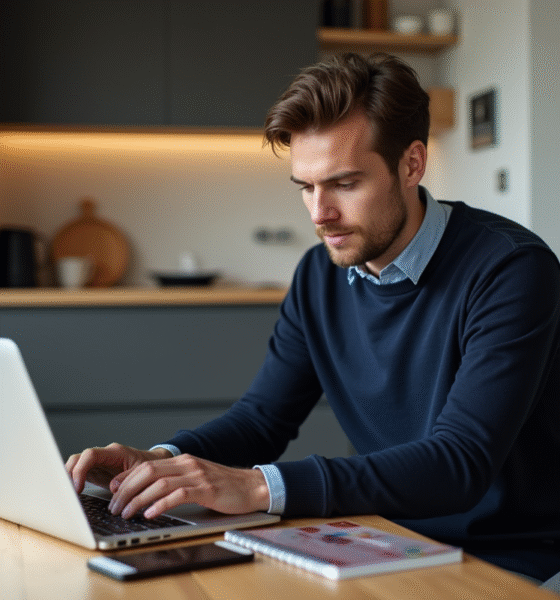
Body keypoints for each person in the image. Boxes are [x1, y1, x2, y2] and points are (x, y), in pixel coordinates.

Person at [67, 53, 560, 581]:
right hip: (387, 542)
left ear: (412, 164)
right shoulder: (318, 275)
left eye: (344, 184)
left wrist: (257, 487)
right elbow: (262, 419)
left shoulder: (511, 269)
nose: (320, 214)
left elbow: (458, 463)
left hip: (512, 561)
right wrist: (161, 459)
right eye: (306, 187)